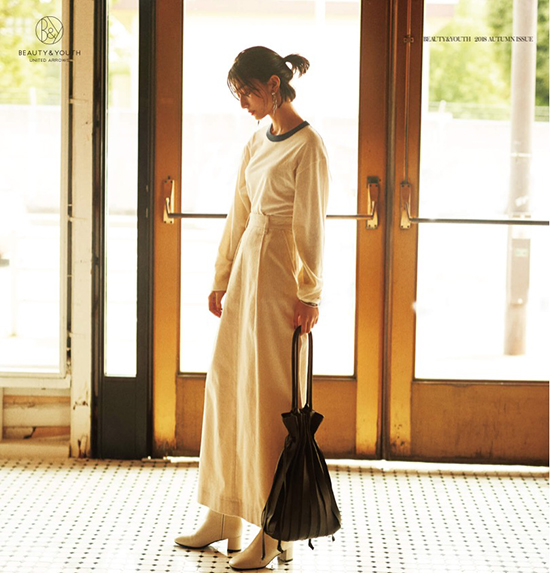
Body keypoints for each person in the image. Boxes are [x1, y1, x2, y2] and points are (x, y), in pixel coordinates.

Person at [174, 45, 329, 570]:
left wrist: (310, 293)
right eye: (238, 95)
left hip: (281, 278)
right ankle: (225, 513)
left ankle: (275, 528)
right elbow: (238, 212)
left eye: (247, 93)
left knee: (270, 399)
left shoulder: (309, 146)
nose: (243, 104)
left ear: (273, 84)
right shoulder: (257, 140)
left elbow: (311, 225)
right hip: (247, 271)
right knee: (227, 388)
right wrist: (222, 276)